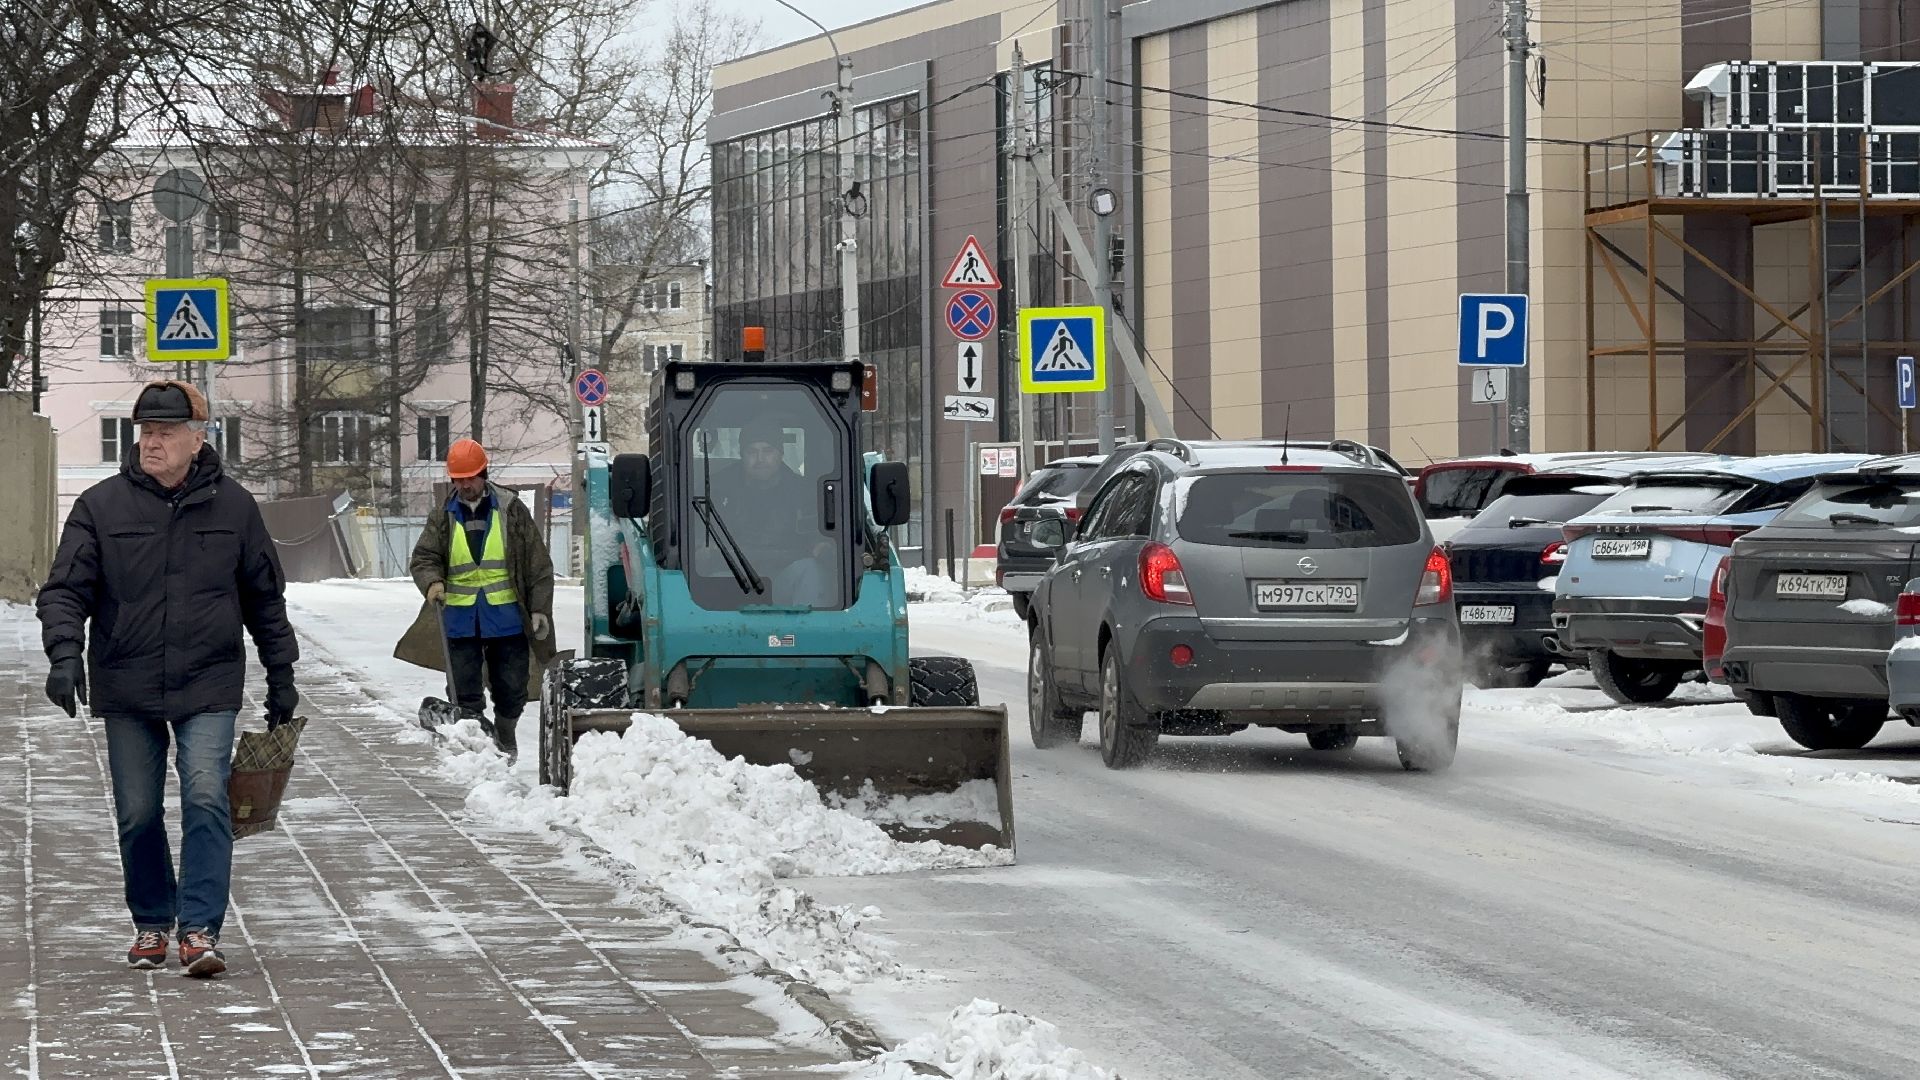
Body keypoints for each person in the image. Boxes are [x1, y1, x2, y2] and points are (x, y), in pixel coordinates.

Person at [36, 379, 299, 977]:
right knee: (138, 811)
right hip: (126, 680)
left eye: (164, 434)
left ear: (196, 439)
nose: (151, 444)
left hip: (208, 679)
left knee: (207, 796)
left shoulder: (234, 507)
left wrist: (281, 674)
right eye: (145, 434)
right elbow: (65, 591)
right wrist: (63, 655)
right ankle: (153, 922)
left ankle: (200, 930)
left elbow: (265, 599)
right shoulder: (100, 507)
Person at [406, 438, 555, 759]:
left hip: (507, 620)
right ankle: (476, 747)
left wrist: (540, 607)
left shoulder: (511, 511)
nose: (464, 485)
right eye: (458, 479)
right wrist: (432, 583)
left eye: (470, 478)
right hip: (460, 621)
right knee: (463, 692)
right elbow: (423, 557)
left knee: (513, 689)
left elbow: (537, 563)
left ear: (483, 475)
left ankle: (505, 735)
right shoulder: (442, 516)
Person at [715, 420, 836, 606]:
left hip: (784, 575)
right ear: (741, 455)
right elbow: (698, 536)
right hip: (731, 575)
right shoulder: (717, 489)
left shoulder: (804, 493)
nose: (760, 459)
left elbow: (817, 536)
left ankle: (808, 631)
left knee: (810, 570)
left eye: (768, 451)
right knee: (711, 581)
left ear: (781, 454)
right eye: (752, 452)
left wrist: (821, 546)